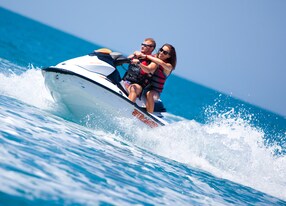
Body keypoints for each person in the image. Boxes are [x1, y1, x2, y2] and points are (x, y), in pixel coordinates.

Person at [134, 43, 177, 113]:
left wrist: (146, 56)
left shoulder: (169, 66)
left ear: (169, 56)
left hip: (155, 91)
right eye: (161, 50)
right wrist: (137, 53)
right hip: (145, 86)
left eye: (165, 52)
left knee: (149, 94)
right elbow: (144, 56)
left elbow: (161, 63)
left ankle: (149, 115)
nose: (161, 53)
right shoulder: (154, 57)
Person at [123, 38, 156, 102]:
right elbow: (126, 59)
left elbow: (148, 70)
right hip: (126, 80)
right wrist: (134, 54)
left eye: (145, 45)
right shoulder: (137, 55)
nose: (142, 46)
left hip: (138, 85)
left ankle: (127, 109)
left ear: (151, 48)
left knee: (133, 89)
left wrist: (139, 63)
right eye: (142, 44)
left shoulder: (153, 61)